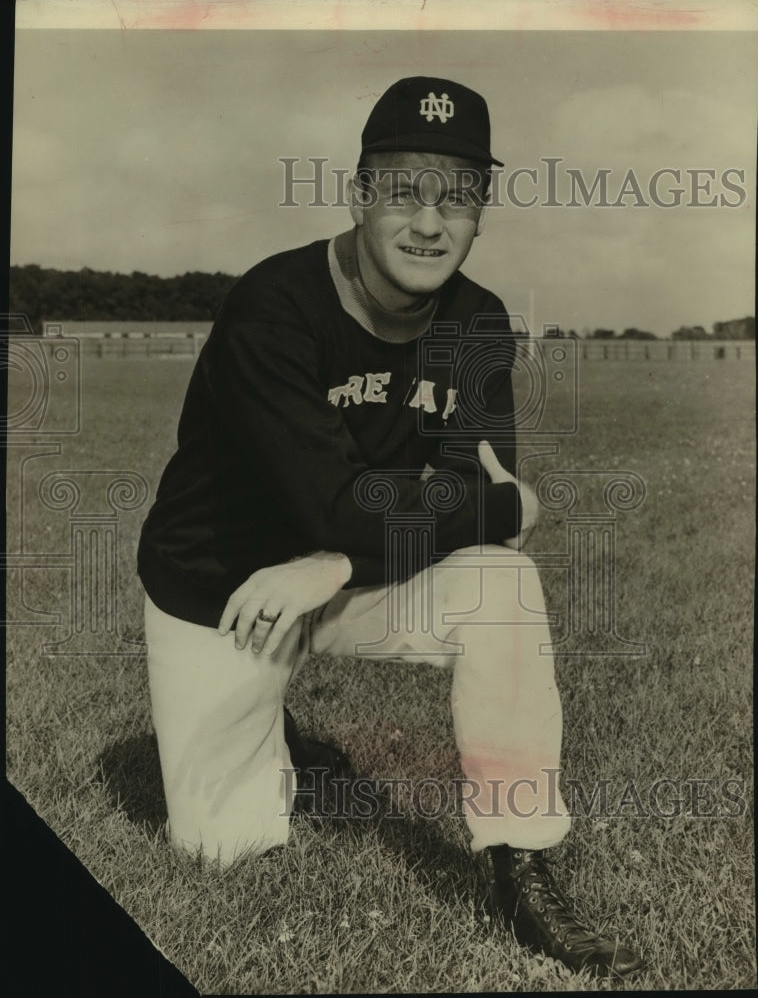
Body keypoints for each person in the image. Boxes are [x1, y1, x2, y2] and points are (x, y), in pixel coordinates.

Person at [137, 76, 643, 979]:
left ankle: (521, 862)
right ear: (361, 194)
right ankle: (282, 739)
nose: (429, 221)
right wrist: (502, 506)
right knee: (221, 848)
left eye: (459, 196)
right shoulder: (275, 307)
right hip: (224, 583)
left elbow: (457, 498)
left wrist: (338, 559)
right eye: (405, 189)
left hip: (344, 579)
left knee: (501, 585)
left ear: (482, 215)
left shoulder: (478, 321)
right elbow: (472, 502)